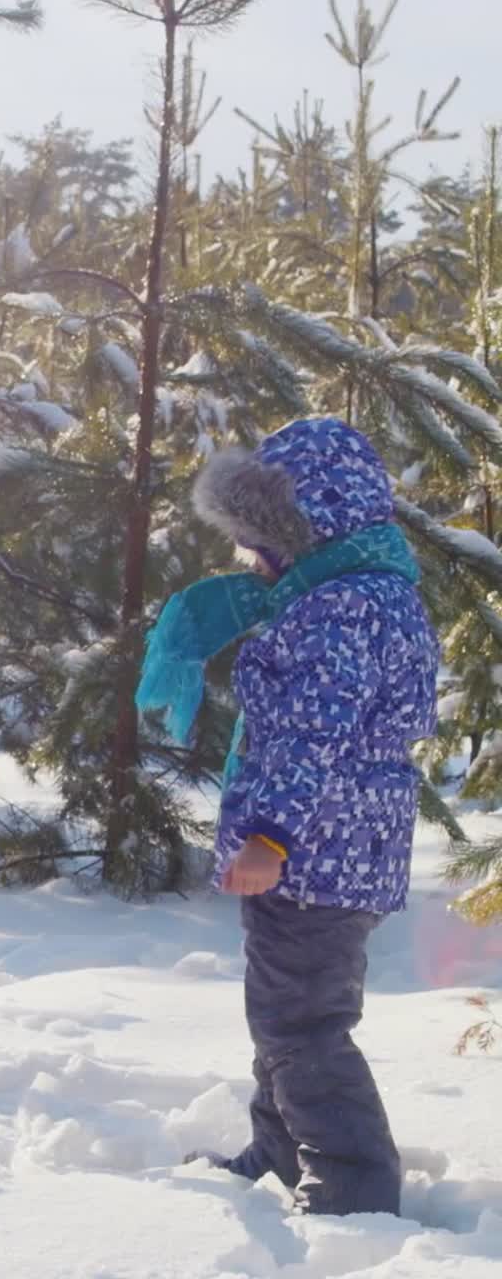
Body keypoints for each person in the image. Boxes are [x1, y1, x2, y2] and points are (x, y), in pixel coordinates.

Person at [137, 416, 438, 1216]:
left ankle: (352, 1184)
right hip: (344, 849)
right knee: (284, 1013)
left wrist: (270, 836)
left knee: (302, 1025)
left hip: (314, 851)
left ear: (304, 529)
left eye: (255, 537)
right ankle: (282, 1152)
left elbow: (309, 735)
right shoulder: (378, 594)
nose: (248, 558)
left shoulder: (335, 612)